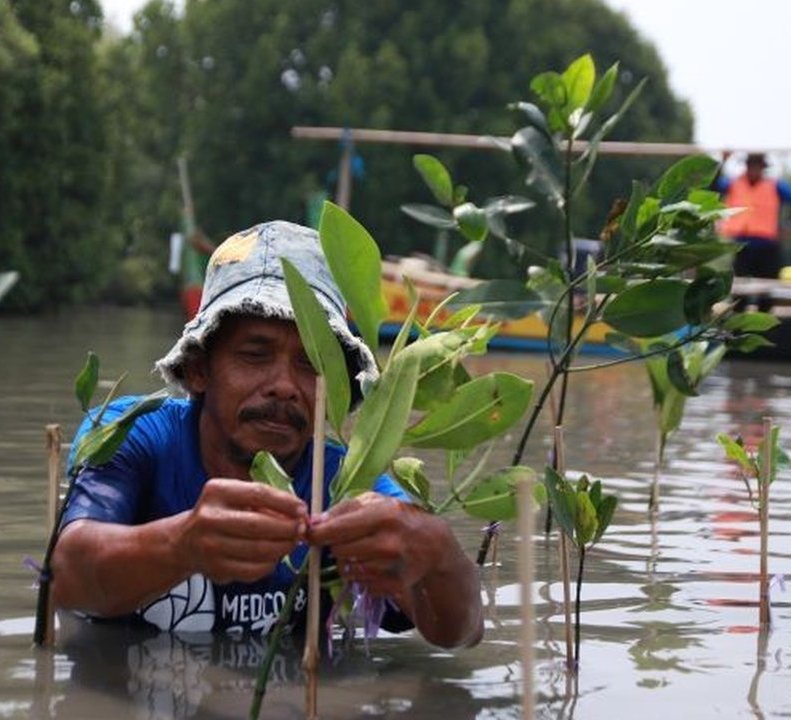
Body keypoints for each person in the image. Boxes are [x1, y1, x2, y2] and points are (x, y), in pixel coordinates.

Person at [50, 220, 482, 649]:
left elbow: (459, 633)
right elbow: (65, 575)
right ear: (199, 369)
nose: (285, 385)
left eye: (311, 364)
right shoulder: (134, 434)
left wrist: (438, 552)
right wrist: (183, 545)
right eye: (255, 356)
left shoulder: (343, 483)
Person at [716, 152, 791, 279]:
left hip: (767, 246)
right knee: (741, 288)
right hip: (741, 245)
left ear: (763, 168)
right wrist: (723, 162)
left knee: (768, 288)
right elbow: (713, 186)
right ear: (747, 166)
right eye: (751, 166)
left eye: (757, 166)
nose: (754, 170)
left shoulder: (775, 186)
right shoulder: (733, 183)